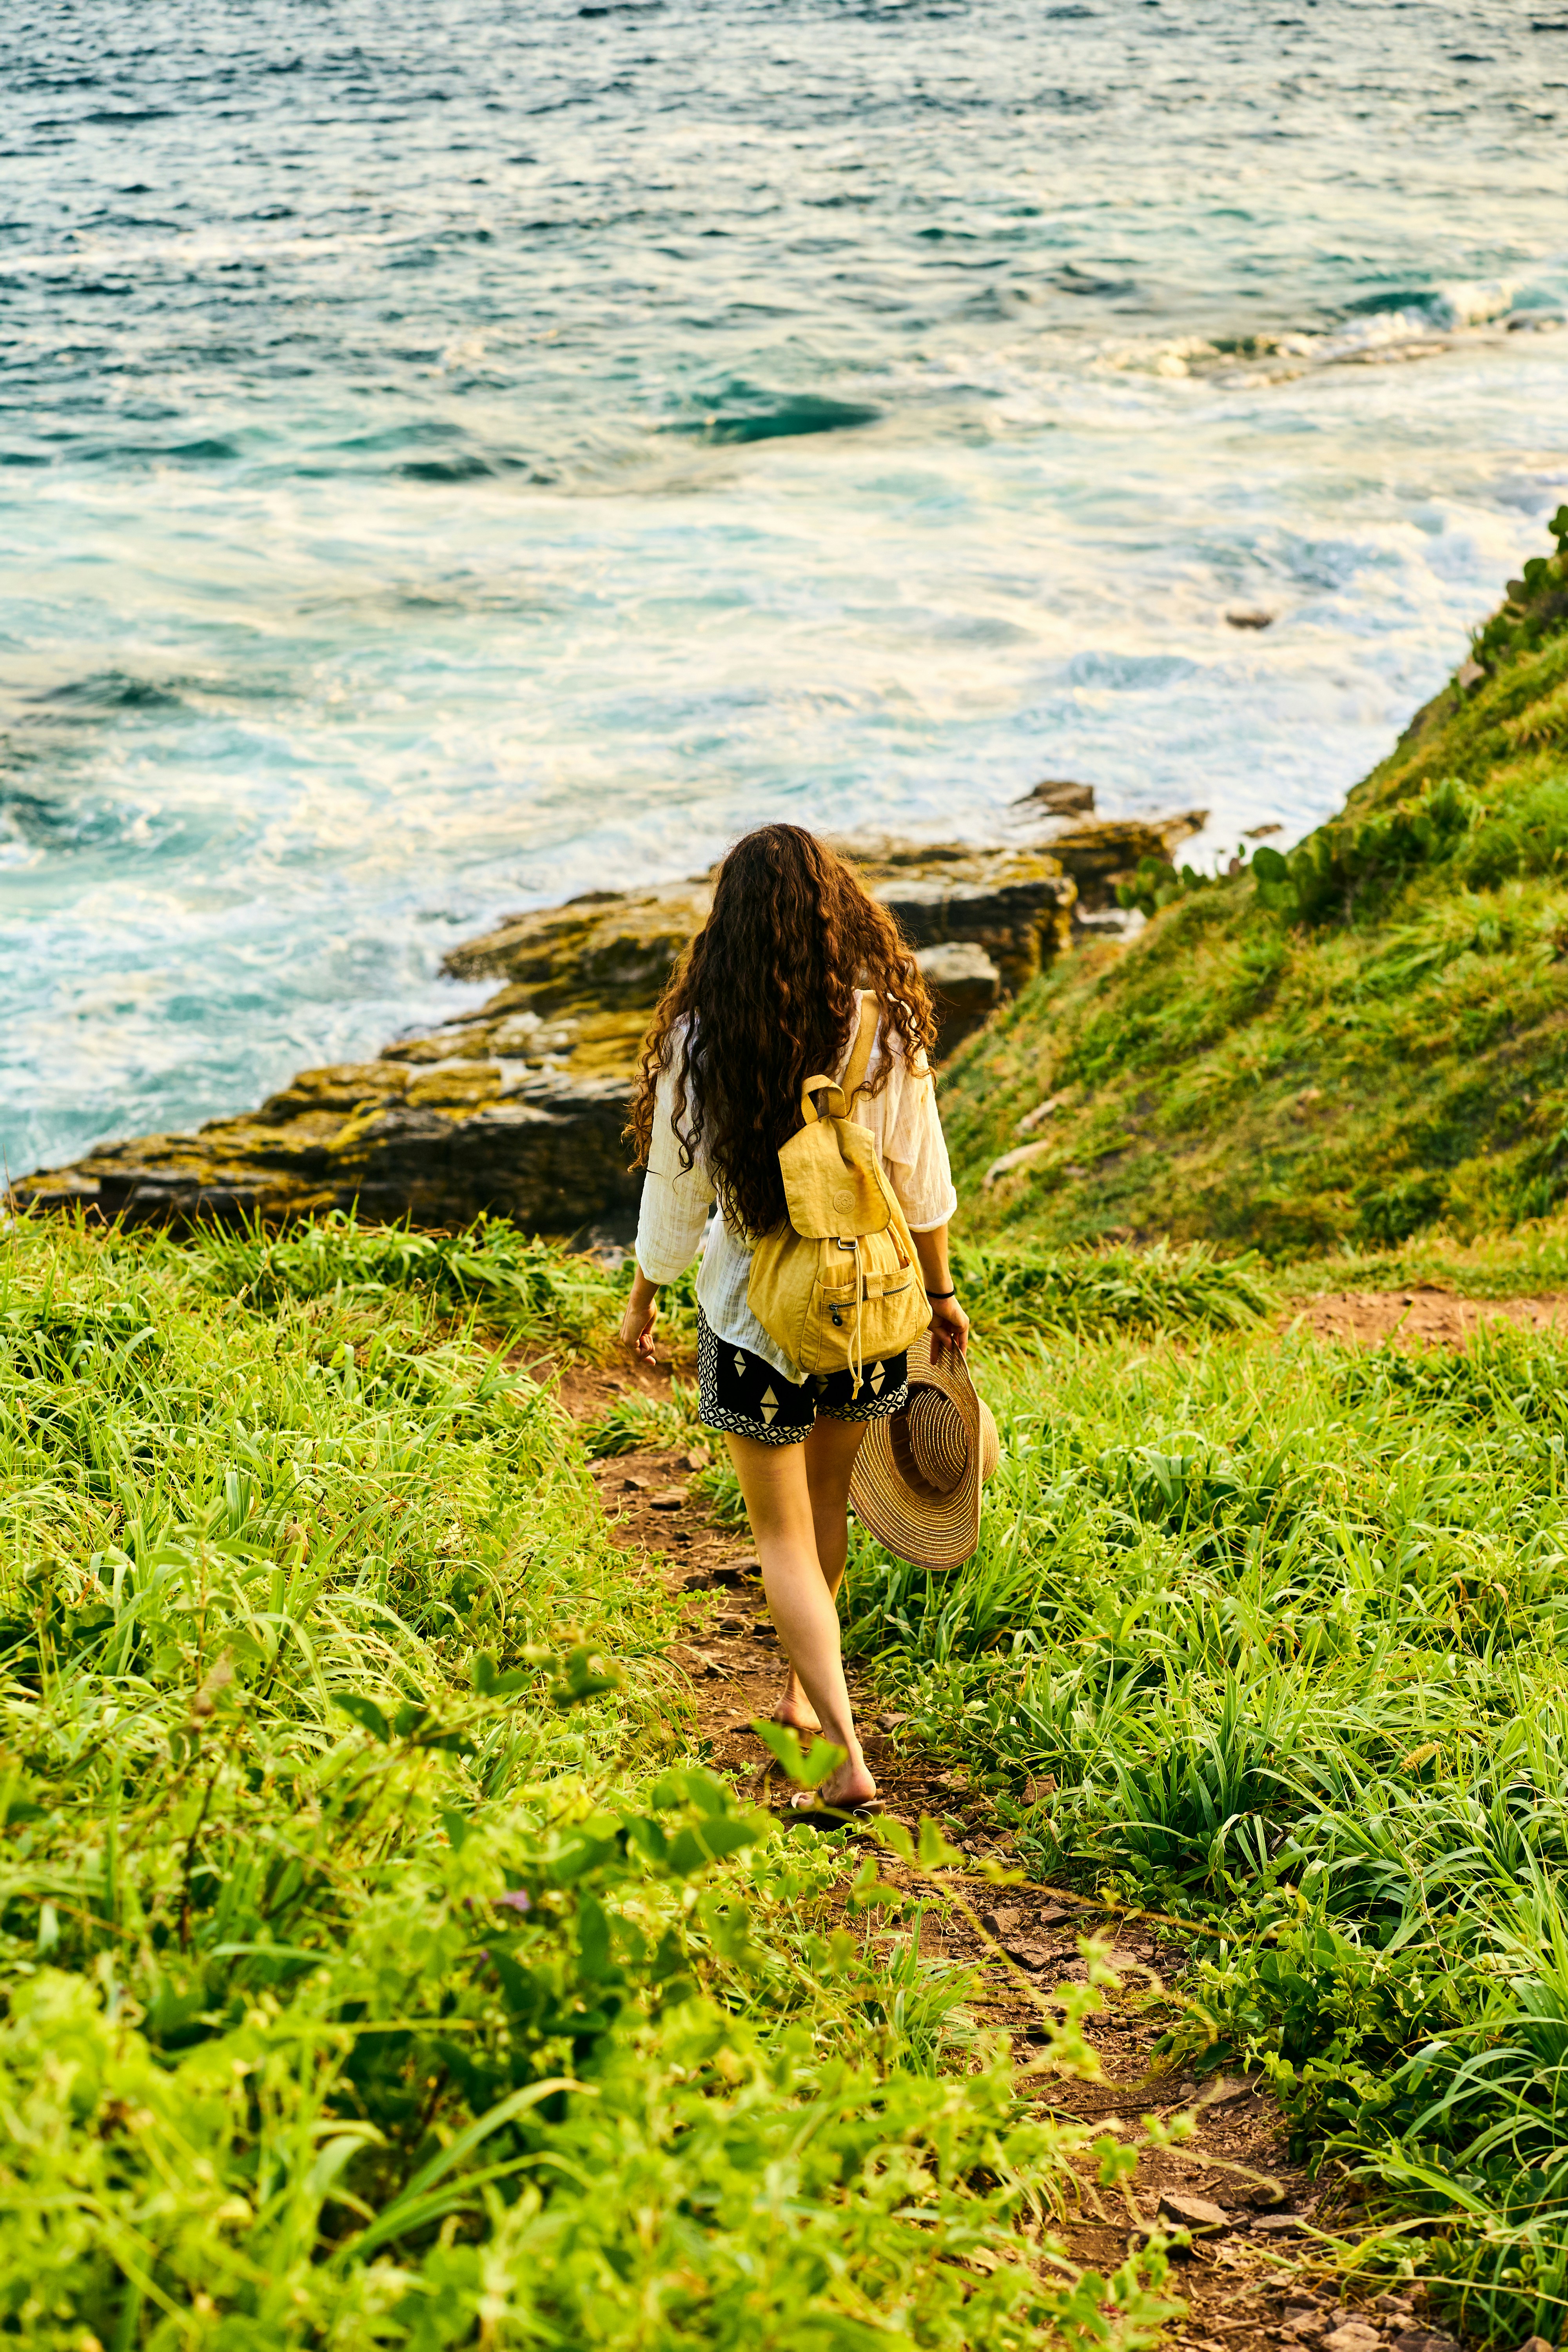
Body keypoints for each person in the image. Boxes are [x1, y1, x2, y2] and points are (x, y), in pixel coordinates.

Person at [621, 824, 969, 1812]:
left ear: (727, 925)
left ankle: (844, 1754)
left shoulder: (704, 1034)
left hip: (752, 1318)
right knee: (826, 1512)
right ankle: (800, 1704)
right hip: (867, 1312)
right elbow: (921, 1179)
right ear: (836, 910)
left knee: (779, 1536)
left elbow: (675, 1190)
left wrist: (646, 1291)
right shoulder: (885, 1025)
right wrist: (940, 1297)